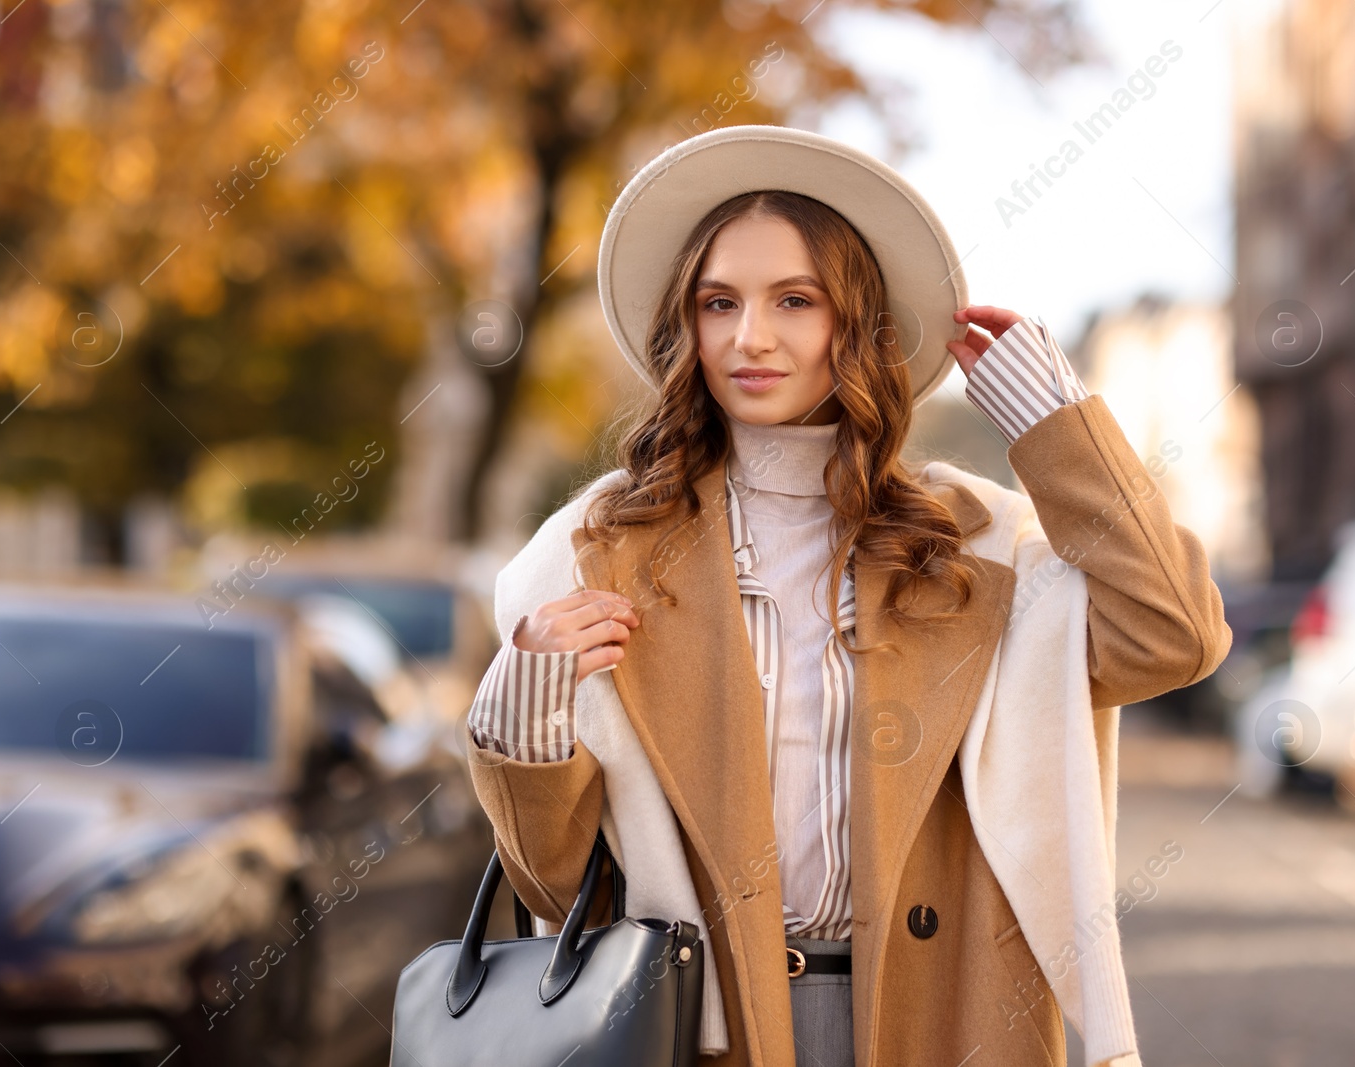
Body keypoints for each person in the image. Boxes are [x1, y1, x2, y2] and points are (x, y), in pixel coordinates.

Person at [462, 125, 1230, 1067]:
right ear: (687, 325)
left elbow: (1174, 633)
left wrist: (1058, 428)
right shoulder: (594, 555)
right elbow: (551, 884)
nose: (751, 336)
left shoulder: (972, 543)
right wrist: (524, 713)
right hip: (702, 1032)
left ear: (853, 321)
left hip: (940, 1024)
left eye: (796, 299)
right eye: (719, 301)